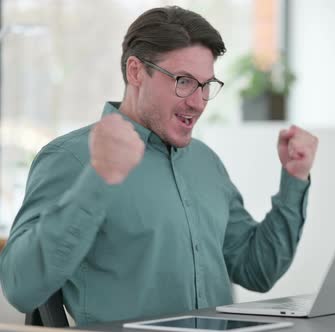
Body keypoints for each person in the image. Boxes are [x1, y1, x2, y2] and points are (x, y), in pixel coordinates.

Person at [0, 6, 318, 325]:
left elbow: (257, 271)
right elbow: (21, 288)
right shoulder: (70, 159)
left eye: (206, 85)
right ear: (136, 71)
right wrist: (98, 178)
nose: (198, 101)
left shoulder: (205, 162)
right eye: (183, 81)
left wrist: (294, 179)